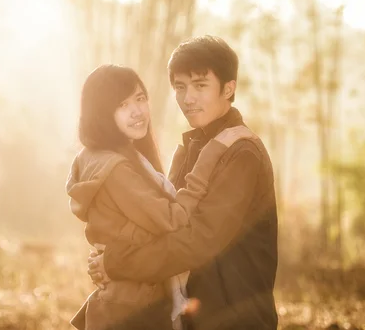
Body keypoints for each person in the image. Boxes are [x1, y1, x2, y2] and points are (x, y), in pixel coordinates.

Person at [87, 36, 279, 330]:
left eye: (200, 85)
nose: (188, 98)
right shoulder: (193, 148)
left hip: (236, 316)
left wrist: (116, 264)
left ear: (229, 88)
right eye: (180, 87)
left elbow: (199, 239)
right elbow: (163, 228)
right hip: (195, 314)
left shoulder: (241, 153)